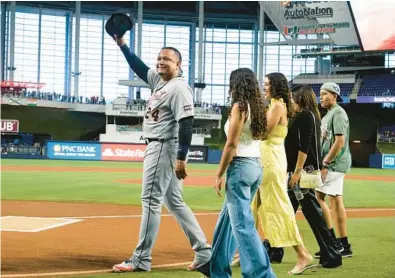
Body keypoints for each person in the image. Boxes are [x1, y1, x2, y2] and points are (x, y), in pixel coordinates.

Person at [111, 35, 211, 274]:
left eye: (167, 59)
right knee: (174, 202)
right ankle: (204, 251)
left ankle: (141, 259)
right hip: (161, 146)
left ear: (179, 65)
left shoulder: (178, 88)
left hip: (163, 147)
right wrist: (123, 45)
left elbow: (187, 123)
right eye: (159, 58)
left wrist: (181, 157)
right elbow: (139, 67)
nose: (160, 62)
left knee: (150, 201)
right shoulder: (160, 83)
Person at [265, 84, 342, 268]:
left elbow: (304, 147)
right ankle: (274, 250)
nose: (291, 101)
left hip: (303, 173)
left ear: (300, 98)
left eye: (293, 98)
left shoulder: (306, 116)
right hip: (305, 172)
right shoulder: (311, 115)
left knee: (309, 215)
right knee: (288, 212)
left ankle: (331, 254)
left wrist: (297, 172)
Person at [210, 68, 276, 278]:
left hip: (240, 166)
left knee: (243, 226)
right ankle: (217, 269)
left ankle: (262, 274)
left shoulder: (240, 107)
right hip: (255, 165)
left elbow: (231, 144)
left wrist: (219, 174)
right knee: (227, 221)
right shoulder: (259, 107)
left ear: (236, 84)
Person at [252, 73, 315, 275]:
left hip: (270, 162)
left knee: (279, 208)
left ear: (276, 86)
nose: (264, 87)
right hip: (265, 160)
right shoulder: (274, 105)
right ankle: (246, 253)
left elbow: (263, 133)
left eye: (268, 84)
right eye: (264, 83)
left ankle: (302, 253)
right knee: (252, 207)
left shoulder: (278, 106)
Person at [315, 82, 353, 258]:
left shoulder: (337, 113)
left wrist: (325, 163)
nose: (321, 97)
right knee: (336, 201)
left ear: (334, 96)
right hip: (337, 163)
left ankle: (331, 243)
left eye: (324, 94)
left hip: (334, 164)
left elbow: (339, 142)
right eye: (320, 94)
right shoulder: (328, 114)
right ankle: (343, 244)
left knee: (318, 197)